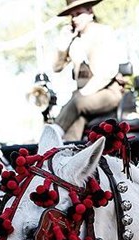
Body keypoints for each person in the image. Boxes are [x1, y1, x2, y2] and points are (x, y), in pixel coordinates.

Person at [51, 0, 122, 141]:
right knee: (76, 120)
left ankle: (53, 133)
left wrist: (83, 94)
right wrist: (63, 44)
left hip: (107, 92)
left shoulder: (104, 32)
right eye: (72, 16)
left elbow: (109, 71)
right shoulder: (74, 40)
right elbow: (57, 67)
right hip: (82, 101)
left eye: (78, 14)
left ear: (90, 12)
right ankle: (70, 153)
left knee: (77, 102)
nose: (75, 19)